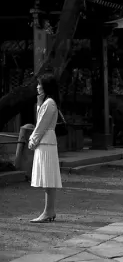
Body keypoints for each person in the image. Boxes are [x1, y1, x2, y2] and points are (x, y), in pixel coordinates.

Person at [28, 73, 62, 223]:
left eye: (39, 84)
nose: (37, 87)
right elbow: (40, 121)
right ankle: (49, 211)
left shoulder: (49, 103)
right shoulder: (46, 102)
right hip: (45, 142)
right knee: (47, 178)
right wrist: (38, 103)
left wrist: (33, 140)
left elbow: (41, 125)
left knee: (48, 178)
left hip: (46, 142)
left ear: (46, 86)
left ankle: (48, 211)